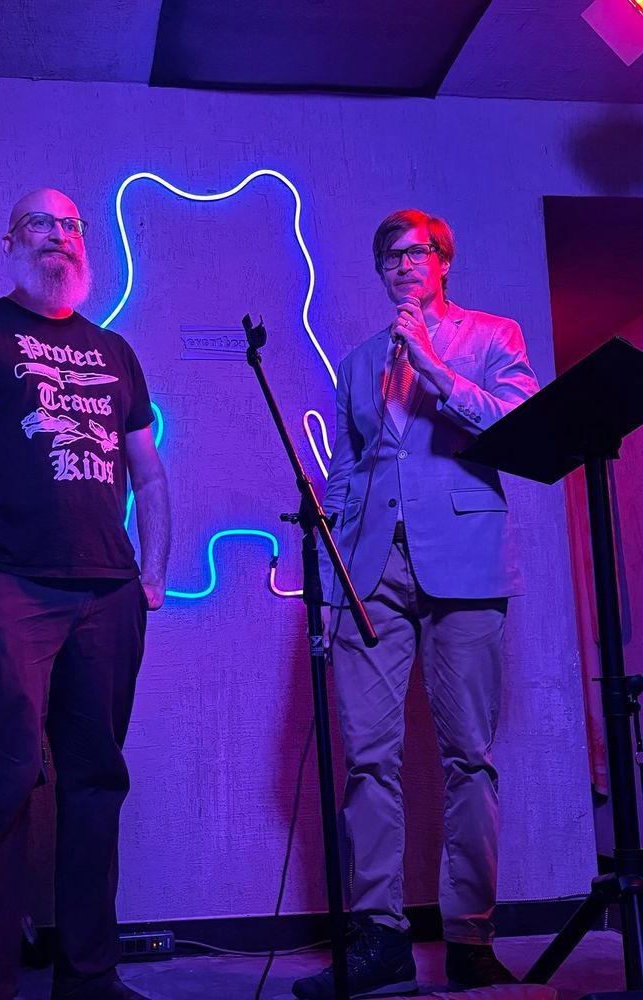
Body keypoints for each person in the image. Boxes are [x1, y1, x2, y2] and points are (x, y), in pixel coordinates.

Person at [0, 188, 169, 1000]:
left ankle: (89, 979)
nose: (58, 235)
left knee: (97, 783)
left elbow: (148, 472)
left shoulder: (115, 350)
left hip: (109, 593)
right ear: (9, 242)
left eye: (70, 225)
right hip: (13, 589)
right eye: (40, 223)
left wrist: (152, 572)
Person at [293, 209, 539, 1000]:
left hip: (464, 560)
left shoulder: (492, 336)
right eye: (389, 257)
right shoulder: (359, 362)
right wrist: (330, 581)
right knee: (369, 757)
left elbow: (518, 422)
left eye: (416, 252)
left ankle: (470, 939)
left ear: (443, 260)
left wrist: (434, 367)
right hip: (371, 572)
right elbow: (348, 470)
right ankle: (381, 939)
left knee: (469, 754)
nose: (402, 265)